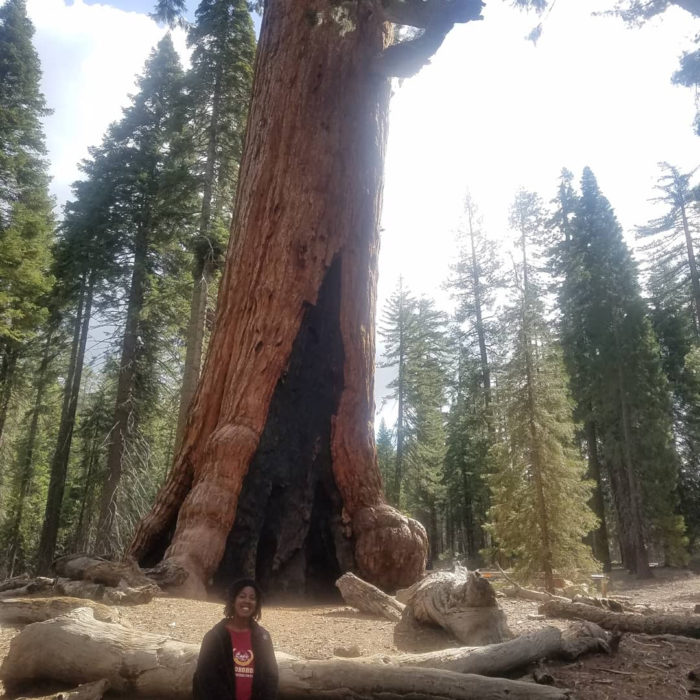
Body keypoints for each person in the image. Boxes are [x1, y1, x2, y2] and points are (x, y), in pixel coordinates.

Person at [193, 578, 279, 700]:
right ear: (233, 600)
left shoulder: (263, 637)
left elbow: (271, 677)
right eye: (242, 596)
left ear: (257, 604)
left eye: (252, 598)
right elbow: (205, 677)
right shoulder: (214, 637)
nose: (247, 601)